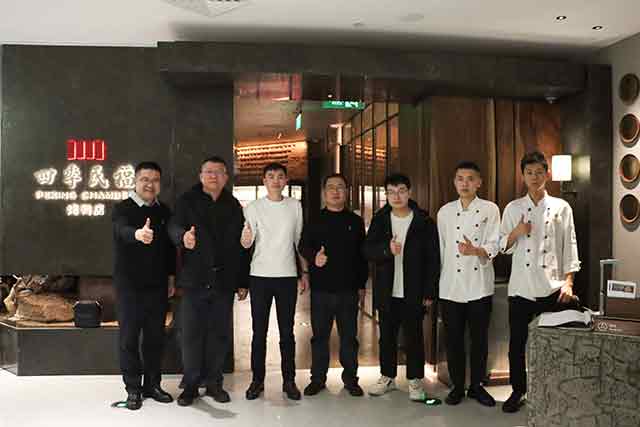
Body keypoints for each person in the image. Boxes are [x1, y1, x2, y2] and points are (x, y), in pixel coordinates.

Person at [499, 151, 580, 413]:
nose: (534, 177)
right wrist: (517, 232)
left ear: (548, 174)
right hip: (521, 287)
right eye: (529, 172)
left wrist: (569, 282)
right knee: (517, 345)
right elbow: (502, 247)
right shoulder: (513, 208)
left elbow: (570, 245)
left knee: (553, 344)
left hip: (553, 287)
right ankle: (518, 390)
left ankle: (553, 389)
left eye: (539, 172)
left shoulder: (561, 207)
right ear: (523, 176)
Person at [169, 156, 249, 407]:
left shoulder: (233, 205)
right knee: (191, 335)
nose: (214, 176)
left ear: (226, 177)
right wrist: (183, 237)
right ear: (201, 176)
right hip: (195, 280)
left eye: (219, 172)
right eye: (209, 172)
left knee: (219, 335)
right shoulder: (187, 201)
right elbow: (173, 227)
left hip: (224, 281)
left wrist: (242, 281)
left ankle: (214, 383)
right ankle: (191, 384)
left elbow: (241, 246)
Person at [363, 173, 440, 401]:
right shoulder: (380, 219)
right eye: (391, 192)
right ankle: (387, 377)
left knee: (414, 337)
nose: (396, 196)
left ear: (409, 192)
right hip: (387, 290)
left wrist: (430, 291)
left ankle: (415, 380)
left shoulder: (423, 221)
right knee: (386, 337)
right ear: (386, 195)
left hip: (414, 291)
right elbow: (367, 250)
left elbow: (433, 259)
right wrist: (386, 250)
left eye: (401, 191)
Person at [241, 162, 309, 401]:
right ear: (264, 181)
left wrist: (304, 273)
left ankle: (289, 381)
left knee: (287, 332)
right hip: (259, 275)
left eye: (280, 176)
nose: (276, 180)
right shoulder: (253, 207)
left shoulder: (295, 206)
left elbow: (299, 241)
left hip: (287, 276)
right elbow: (246, 243)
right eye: (271, 176)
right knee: (258, 332)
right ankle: (257, 380)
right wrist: (245, 239)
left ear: (286, 181)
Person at [112, 161, 176, 410]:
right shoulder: (122, 208)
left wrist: (171, 277)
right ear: (136, 181)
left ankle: (152, 385)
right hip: (129, 286)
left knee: (154, 339)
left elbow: (169, 250)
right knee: (128, 339)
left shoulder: (164, 211)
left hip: (157, 286)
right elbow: (121, 230)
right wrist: (138, 234)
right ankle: (133, 389)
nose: (150, 184)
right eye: (145, 179)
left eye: (155, 180)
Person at [437, 161, 500, 407]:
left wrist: (476, 250)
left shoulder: (490, 209)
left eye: (470, 178)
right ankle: (456, 386)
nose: (465, 183)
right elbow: (441, 250)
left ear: (479, 182)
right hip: (450, 285)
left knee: (479, 340)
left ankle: (476, 386)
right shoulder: (444, 212)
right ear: (454, 182)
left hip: (479, 285)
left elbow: (495, 244)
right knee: (453, 340)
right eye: (460, 178)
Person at [298, 173, 368, 397]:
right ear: (324, 193)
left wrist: (362, 285)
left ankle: (351, 380)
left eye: (340, 187)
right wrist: (314, 257)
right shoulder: (315, 219)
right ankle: (317, 379)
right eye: (331, 187)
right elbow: (303, 246)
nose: (336, 191)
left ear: (346, 192)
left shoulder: (355, 222)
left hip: (349, 290)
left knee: (349, 338)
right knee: (320, 338)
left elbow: (362, 256)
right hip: (321, 290)